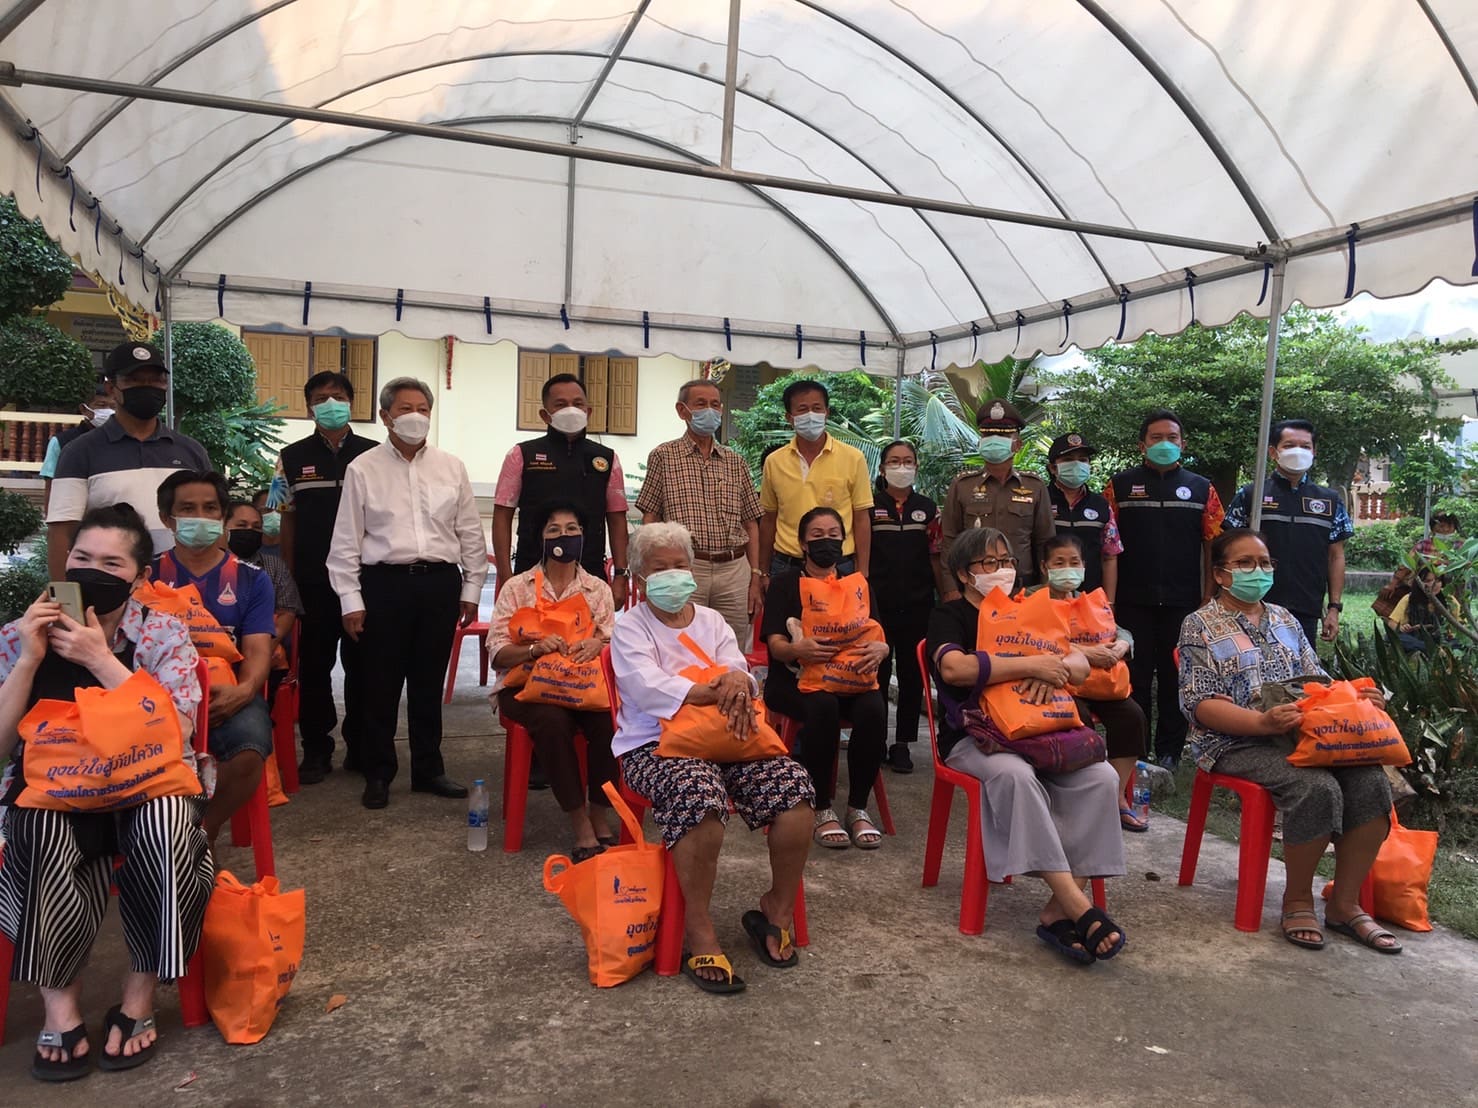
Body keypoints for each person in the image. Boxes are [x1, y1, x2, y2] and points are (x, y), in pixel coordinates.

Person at [0, 504, 211, 1080]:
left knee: (168, 827)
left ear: (139, 577)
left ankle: (138, 995)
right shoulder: (21, 633)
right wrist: (29, 659)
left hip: (147, 781)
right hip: (56, 785)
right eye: (82, 558)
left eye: (111, 564)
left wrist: (99, 659)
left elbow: (178, 731)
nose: (92, 571)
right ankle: (59, 1005)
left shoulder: (162, 631)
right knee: (35, 826)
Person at [611, 522, 814, 994]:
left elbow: (738, 670)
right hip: (653, 745)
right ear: (640, 577)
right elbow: (646, 686)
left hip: (728, 738)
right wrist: (712, 690)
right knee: (699, 798)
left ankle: (777, 908)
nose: (673, 575)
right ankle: (697, 927)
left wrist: (737, 683)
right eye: (660, 568)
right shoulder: (629, 627)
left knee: (795, 791)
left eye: (680, 565)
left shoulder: (712, 621)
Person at [1179, 529, 1402, 953]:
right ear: (1220, 574)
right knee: (1314, 788)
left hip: (1305, 736)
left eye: (1265, 563)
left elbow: (1318, 682)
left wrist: (1358, 697)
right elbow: (1200, 705)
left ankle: (1344, 904)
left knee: (1371, 782)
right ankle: (1297, 899)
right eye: (1245, 563)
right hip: (1235, 742)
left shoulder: (1285, 619)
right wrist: (1262, 723)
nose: (1258, 570)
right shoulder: (1199, 624)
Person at [926, 525, 1128, 964]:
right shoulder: (951, 615)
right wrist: (1030, 664)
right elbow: (955, 670)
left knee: (1102, 778)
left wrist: (1052, 668)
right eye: (989, 563)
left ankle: (1056, 909)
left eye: (1007, 561)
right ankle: (1076, 905)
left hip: (1044, 731)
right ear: (963, 574)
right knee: (1015, 776)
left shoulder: (1030, 609)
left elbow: (1079, 663)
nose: (1002, 570)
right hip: (977, 738)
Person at [328, 377, 488, 809]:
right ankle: (379, 772)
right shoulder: (363, 468)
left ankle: (429, 770)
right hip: (384, 584)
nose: (415, 417)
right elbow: (346, 540)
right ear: (385, 416)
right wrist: (350, 600)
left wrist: (472, 587)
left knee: (427, 682)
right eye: (405, 409)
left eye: (423, 409)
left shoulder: (451, 467)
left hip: (439, 583)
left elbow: (469, 531)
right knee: (379, 683)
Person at [487, 500, 617, 860]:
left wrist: (599, 644)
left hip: (583, 686)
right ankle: (579, 821)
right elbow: (496, 651)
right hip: (525, 688)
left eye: (572, 529)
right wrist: (533, 650)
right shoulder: (518, 587)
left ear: (584, 535)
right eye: (554, 530)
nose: (564, 536)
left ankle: (599, 810)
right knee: (552, 721)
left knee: (609, 719)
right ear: (541, 538)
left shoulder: (597, 589)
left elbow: (614, 644)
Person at [152, 470, 275, 844]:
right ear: (167, 518)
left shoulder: (252, 579)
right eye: (187, 509)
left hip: (227, 693)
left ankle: (201, 832)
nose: (200, 517)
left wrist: (244, 691)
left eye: (210, 508)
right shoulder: (147, 574)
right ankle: (159, 835)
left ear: (222, 516)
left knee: (249, 750)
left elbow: (257, 649)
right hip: (157, 696)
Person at [763, 507, 890, 849]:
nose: (826, 542)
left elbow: (877, 634)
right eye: (817, 536)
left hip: (851, 679)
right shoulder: (785, 583)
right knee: (823, 706)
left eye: (834, 535)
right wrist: (798, 649)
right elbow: (775, 645)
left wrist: (881, 650)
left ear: (844, 541)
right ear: (803, 544)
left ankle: (858, 807)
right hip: (794, 681)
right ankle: (821, 807)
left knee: (873, 708)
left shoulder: (857, 584)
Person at [273, 369, 377, 783]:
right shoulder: (290, 457)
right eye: (320, 398)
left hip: (365, 582)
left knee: (364, 667)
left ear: (351, 403)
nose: (330, 404)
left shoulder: (375, 455)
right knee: (314, 668)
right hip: (312, 582)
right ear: (308, 408)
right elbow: (286, 520)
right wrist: (287, 578)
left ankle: (361, 746)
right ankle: (316, 749)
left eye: (337, 396)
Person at [1105, 408, 1224, 769]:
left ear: (1183, 444)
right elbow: (1107, 546)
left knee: (1176, 676)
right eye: (1156, 438)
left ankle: (1170, 751)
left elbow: (1212, 544)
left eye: (1172, 438)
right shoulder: (1118, 487)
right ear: (1142, 445)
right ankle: (1137, 750)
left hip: (1184, 601)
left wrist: (1208, 595)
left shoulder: (1202, 488)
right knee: (1135, 676)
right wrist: (1109, 602)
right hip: (1132, 599)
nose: (1164, 443)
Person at [46, 342, 211, 579]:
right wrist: (64, 596)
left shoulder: (191, 452)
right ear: (111, 388)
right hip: (110, 589)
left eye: (156, 380)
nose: (147, 387)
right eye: (134, 380)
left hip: (183, 587)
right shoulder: (79, 452)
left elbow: (213, 521)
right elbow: (62, 531)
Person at [637, 378, 764, 648]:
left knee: (731, 645)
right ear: (682, 410)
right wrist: (650, 571)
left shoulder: (735, 462)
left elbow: (751, 523)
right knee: (681, 644)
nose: (710, 411)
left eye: (715, 405)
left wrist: (755, 575)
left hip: (734, 570)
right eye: (701, 404)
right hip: (686, 569)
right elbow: (650, 518)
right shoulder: (663, 456)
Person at [1035, 535, 1149, 831]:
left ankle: (1115, 797)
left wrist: (1122, 645)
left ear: (1084, 566)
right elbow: (1032, 640)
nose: (1068, 568)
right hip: (1059, 681)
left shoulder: (1089, 601)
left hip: (1100, 682)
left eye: (1074, 562)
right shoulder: (1032, 599)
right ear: (1045, 567)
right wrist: (1086, 652)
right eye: (1059, 563)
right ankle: (1077, 797)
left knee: (1133, 716)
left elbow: (1119, 630)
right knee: (1078, 718)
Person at [492, 373, 631, 608]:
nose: (571, 410)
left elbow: (617, 519)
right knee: (532, 633)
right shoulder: (521, 455)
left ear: (588, 411)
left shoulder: (606, 459)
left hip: (590, 576)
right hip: (531, 575)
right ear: (545, 415)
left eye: (577, 403)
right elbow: (502, 516)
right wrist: (506, 576)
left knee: (590, 632)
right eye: (560, 404)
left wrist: (620, 574)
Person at [1226, 419, 1353, 645]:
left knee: (1301, 666)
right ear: (1273, 452)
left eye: (1305, 446)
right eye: (1289, 445)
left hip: (1306, 607)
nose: (1298, 451)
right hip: (1254, 603)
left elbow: (1336, 556)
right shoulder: (1251, 495)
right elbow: (1225, 550)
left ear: (1314, 452)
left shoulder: (1330, 501)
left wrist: (1334, 608)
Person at [866, 439, 944, 773]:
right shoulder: (869, 506)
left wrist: (946, 594)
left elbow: (936, 555)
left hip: (918, 603)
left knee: (912, 675)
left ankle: (902, 744)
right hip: (878, 604)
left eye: (908, 461)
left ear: (916, 466)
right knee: (877, 673)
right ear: (883, 468)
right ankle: (875, 740)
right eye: (895, 461)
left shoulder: (928, 508)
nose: (902, 467)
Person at [756, 378, 873, 579]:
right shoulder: (774, 462)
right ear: (789, 417)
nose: (810, 415)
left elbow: (861, 519)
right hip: (787, 566)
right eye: (802, 409)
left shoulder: (853, 458)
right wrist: (763, 572)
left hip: (839, 564)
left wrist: (862, 572)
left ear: (827, 412)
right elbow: (768, 520)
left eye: (817, 408)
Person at [939, 398, 1054, 591]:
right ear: (980, 442)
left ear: (1017, 444)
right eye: (988, 434)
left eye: (1002, 435)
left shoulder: (1034, 486)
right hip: (975, 587)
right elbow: (950, 542)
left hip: (1022, 588)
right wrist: (951, 589)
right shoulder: (962, 486)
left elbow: (1045, 543)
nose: (994, 440)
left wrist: (1045, 588)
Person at [224, 499, 303, 703]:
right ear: (223, 528)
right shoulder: (211, 566)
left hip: (265, 644)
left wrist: (266, 646)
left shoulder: (273, 566)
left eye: (256, 527)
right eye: (242, 526)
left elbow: (287, 610)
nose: (249, 531)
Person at [1045, 432, 1122, 600]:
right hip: (1047, 597)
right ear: (1052, 468)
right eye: (1068, 459)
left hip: (1091, 597)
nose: (1076, 464)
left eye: (1082, 459)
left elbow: (1110, 556)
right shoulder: (1041, 500)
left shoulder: (1101, 505)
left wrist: (1109, 603)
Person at [39, 378, 112, 512]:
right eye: (102, 405)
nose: (108, 411)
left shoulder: (122, 440)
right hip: (72, 513)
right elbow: (51, 486)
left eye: (113, 407)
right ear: (84, 409)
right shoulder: (61, 442)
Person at [1386, 567, 1457, 653]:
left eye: (1438, 581)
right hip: (1416, 639)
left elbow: (1461, 626)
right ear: (1419, 582)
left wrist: (1451, 634)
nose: (1433, 585)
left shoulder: (1449, 600)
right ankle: (1433, 650)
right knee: (1393, 637)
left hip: (1442, 639)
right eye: (1428, 581)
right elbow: (1391, 624)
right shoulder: (1409, 599)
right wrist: (1402, 628)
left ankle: (1434, 650)